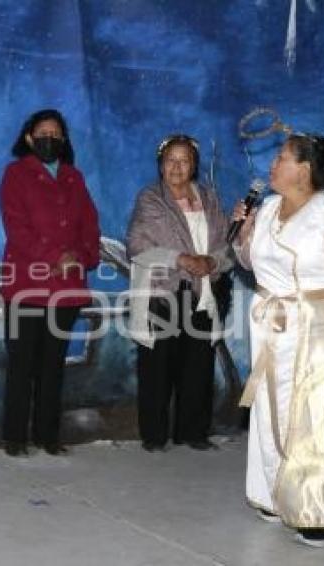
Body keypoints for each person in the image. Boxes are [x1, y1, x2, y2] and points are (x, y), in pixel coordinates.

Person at [233, 134, 324, 547]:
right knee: (269, 409)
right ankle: (275, 494)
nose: (272, 164)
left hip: (318, 324)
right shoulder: (270, 207)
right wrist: (244, 232)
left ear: (305, 169)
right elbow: (250, 264)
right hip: (271, 325)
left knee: (315, 413)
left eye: (281, 157)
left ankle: (318, 510)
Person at [0, 109, 100, 457]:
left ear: (64, 140)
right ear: (29, 137)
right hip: (26, 284)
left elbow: (90, 226)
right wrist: (55, 256)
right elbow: (17, 227)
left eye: (57, 134)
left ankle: (48, 435)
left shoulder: (74, 177)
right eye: (43, 133)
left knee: (53, 365)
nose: (50, 139)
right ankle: (15, 437)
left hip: (67, 289)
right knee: (22, 364)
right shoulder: (15, 174)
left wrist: (82, 257)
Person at [125, 134, 232, 452]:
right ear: (160, 165)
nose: (177, 166)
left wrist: (212, 261)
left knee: (199, 365)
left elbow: (226, 246)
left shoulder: (210, 199)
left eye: (184, 160)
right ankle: (154, 436)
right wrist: (181, 260)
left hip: (202, 292)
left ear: (194, 166)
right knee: (157, 368)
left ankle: (193, 431)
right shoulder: (150, 199)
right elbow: (138, 245)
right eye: (170, 159)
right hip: (163, 293)